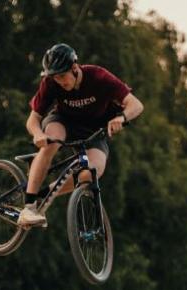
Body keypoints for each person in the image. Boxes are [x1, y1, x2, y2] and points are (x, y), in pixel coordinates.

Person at [17, 43, 144, 228]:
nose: (60, 81)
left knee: (92, 173)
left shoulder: (99, 77)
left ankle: (45, 193)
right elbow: (33, 119)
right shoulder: (50, 83)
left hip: (93, 132)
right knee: (52, 142)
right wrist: (37, 134)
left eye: (62, 76)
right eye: (55, 77)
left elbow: (136, 105)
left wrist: (121, 118)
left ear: (75, 68)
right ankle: (28, 207)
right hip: (62, 121)